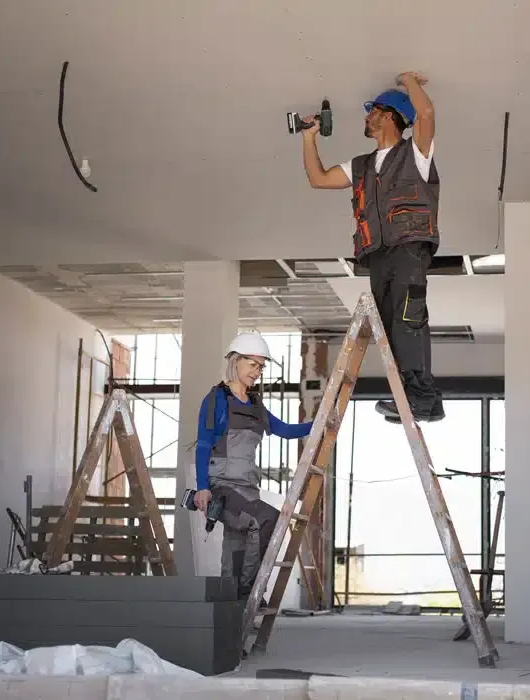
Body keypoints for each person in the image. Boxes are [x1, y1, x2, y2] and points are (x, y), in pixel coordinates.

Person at [300, 71, 444, 424]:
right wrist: (309, 138)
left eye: (373, 111)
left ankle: (421, 397)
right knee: (390, 327)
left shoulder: (416, 153)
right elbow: (319, 179)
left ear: (391, 116)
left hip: (409, 247)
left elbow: (425, 116)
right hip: (377, 254)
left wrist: (410, 82)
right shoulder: (361, 166)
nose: (367, 117)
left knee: (408, 319)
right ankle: (416, 398)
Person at [193, 332, 313, 604]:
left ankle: (232, 622)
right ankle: (251, 593)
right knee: (267, 519)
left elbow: (284, 430)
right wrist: (202, 488)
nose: (258, 372)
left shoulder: (256, 404)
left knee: (234, 556)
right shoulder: (217, 400)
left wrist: (319, 424)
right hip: (222, 488)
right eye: (253, 365)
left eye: (261, 367)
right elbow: (203, 445)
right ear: (236, 361)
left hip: (248, 490)